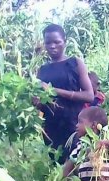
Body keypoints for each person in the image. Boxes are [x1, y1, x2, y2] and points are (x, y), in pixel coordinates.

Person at [34, 24, 94, 165]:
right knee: (57, 164)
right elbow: (42, 104)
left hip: (74, 124)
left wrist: (54, 90)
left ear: (65, 42)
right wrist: (37, 102)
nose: (52, 46)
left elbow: (89, 95)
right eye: (48, 43)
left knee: (74, 164)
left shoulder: (75, 63)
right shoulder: (43, 70)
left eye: (57, 42)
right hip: (51, 126)